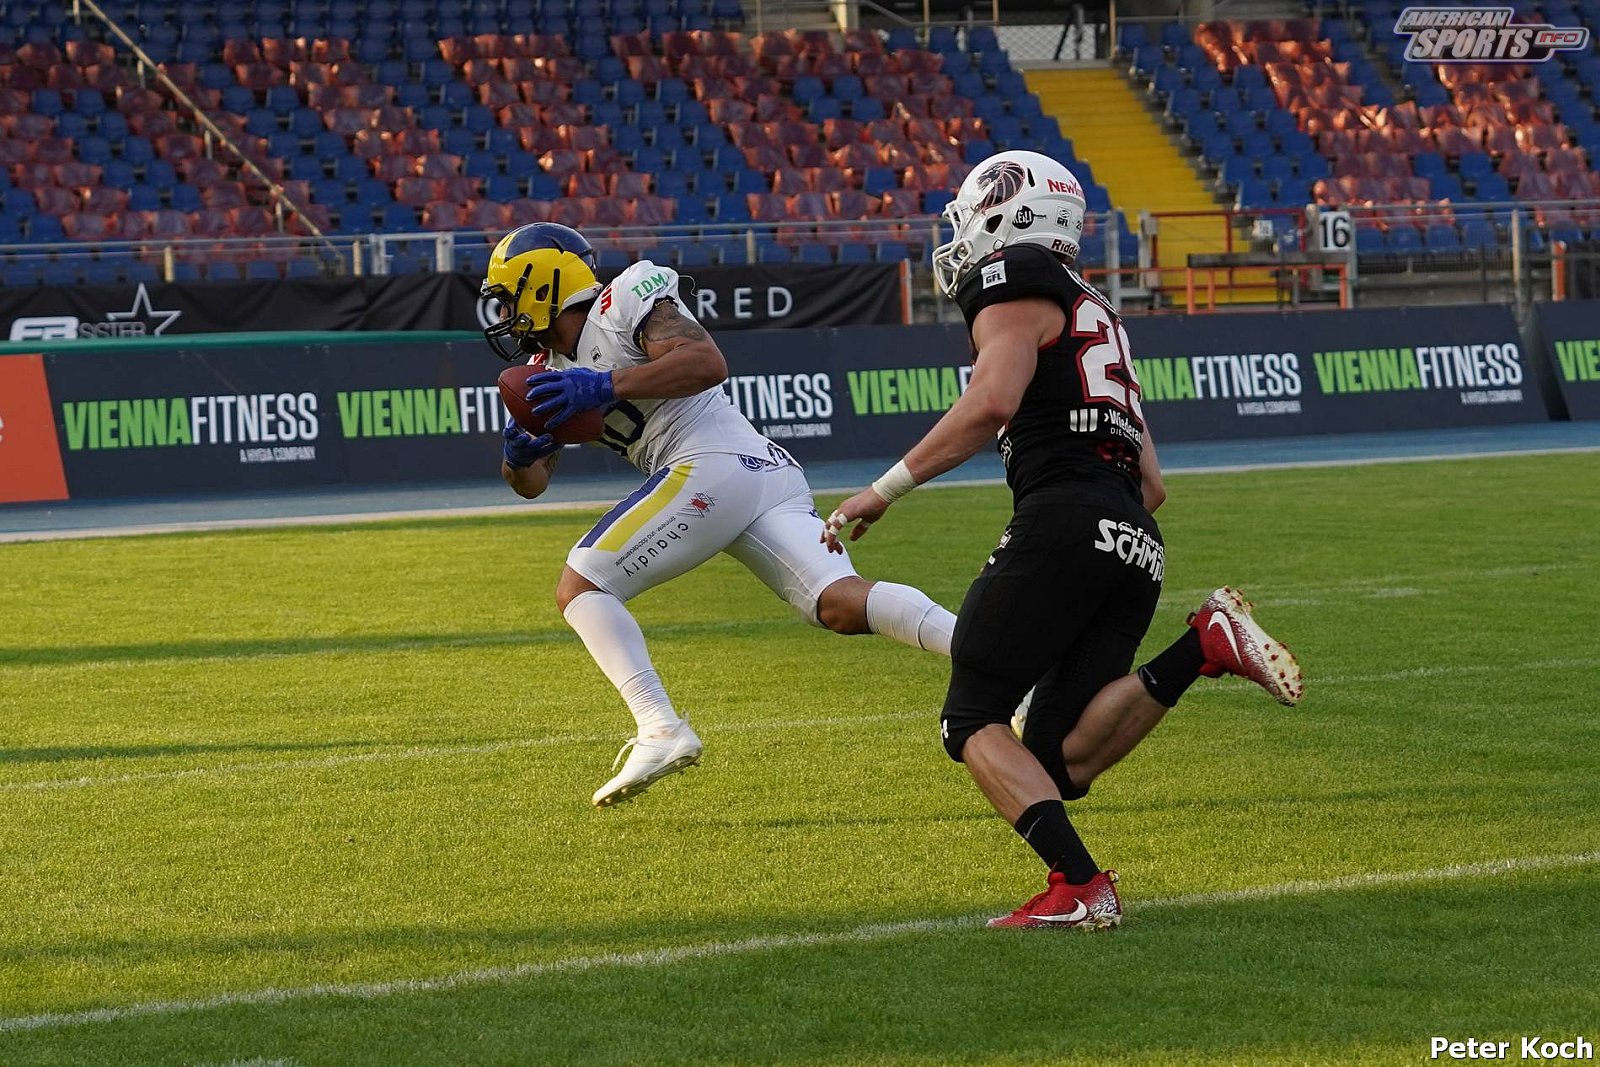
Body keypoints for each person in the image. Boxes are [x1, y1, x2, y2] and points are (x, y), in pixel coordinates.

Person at [823, 151, 1303, 930]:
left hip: (1067, 516)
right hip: (1136, 540)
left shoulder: (1012, 278)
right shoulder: (1096, 309)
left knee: (970, 715)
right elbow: (1152, 483)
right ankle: (1204, 643)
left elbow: (991, 401)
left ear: (1010, 213)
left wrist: (882, 490)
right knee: (1058, 757)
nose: (962, 235)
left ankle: (1080, 885)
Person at [481, 221, 958, 808]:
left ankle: (659, 727)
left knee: (582, 586)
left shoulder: (623, 298)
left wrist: (604, 385)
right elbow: (531, 484)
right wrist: (518, 455)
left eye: (507, 296)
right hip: (754, 472)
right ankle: (1002, 665)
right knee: (837, 603)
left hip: (710, 460)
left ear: (542, 284)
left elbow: (705, 361)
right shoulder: (544, 370)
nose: (502, 312)